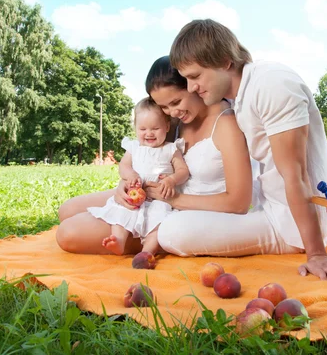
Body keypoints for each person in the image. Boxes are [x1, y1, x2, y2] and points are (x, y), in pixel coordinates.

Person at [163, 19, 327, 280]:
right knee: (170, 222)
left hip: (289, 226)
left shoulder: (272, 85)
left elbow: (295, 175)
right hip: (267, 208)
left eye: (195, 76)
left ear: (225, 61)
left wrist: (316, 254)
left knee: (173, 232)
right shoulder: (241, 95)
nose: (191, 87)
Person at [55, 56, 253, 255]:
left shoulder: (226, 124)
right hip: (150, 195)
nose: (172, 112)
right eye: (165, 107)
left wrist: (174, 200)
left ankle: (150, 239)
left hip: (177, 211)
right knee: (67, 210)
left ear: (192, 85)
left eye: (176, 102)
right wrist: (124, 186)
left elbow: (238, 203)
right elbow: (148, 156)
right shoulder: (178, 120)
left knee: (68, 234)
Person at [86, 97, 189, 256]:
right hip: (133, 198)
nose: (149, 133)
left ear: (167, 126)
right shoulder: (134, 147)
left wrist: (171, 179)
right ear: (135, 128)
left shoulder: (171, 149)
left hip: (159, 200)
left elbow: (183, 171)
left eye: (155, 128)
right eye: (143, 129)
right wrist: (130, 175)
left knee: (158, 222)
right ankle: (118, 241)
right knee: (121, 213)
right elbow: (123, 166)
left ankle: (147, 251)